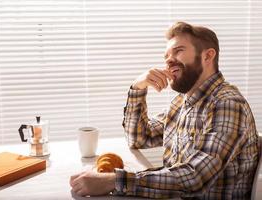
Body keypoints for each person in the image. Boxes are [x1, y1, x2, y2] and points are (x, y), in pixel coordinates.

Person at [69, 21, 259, 200]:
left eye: (178, 51)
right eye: (166, 56)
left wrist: (114, 181)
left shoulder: (227, 104)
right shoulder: (182, 103)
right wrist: (138, 88)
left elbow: (196, 177)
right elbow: (139, 139)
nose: (169, 61)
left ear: (208, 56)